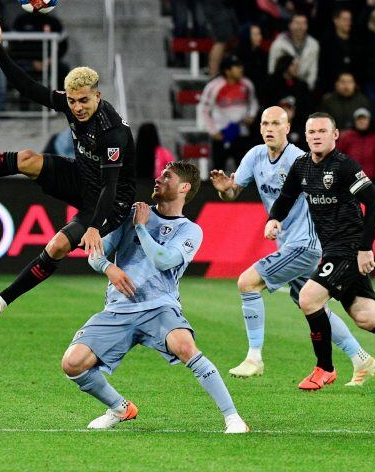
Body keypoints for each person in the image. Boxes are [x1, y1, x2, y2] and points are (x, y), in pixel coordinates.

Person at [0, 14, 136, 325]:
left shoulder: (112, 132)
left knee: (58, 245)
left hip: (110, 202)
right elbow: (28, 88)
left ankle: (1, 301)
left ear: (98, 96)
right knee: (27, 159)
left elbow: (111, 186)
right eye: (73, 101)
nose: (77, 107)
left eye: (84, 101)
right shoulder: (70, 105)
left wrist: (92, 227)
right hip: (82, 176)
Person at [265, 112, 375, 392]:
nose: (316, 136)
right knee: (367, 317)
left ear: (335, 135)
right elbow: (287, 197)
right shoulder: (302, 166)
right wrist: (274, 218)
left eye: (322, 131)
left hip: (348, 248)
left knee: (308, 298)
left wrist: (364, 248)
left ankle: (324, 368)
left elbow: (374, 205)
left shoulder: (345, 166)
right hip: (332, 250)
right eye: (311, 131)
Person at [64, 161, 249, 433]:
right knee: (72, 363)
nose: (158, 179)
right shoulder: (130, 215)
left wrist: (141, 228)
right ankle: (119, 407)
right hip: (118, 307)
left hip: (159, 307)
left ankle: (233, 418)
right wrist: (108, 267)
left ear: (184, 187)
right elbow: (96, 252)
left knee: (184, 346)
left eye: (167, 176)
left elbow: (164, 260)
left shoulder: (190, 231)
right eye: (160, 174)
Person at [209, 106, 375, 385]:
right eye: (265, 123)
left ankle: (254, 357)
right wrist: (225, 188)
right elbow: (233, 192)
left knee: (247, 282)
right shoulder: (255, 155)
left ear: (287, 128)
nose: (269, 128)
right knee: (311, 305)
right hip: (287, 246)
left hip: (307, 245)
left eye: (276, 123)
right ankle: (361, 358)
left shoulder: (300, 160)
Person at [197, 55, 258, 172]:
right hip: (221, 134)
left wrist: (251, 115)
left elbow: (253, 102)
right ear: (227, 71)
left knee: (245, 171)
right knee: (218, 171)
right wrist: (213, 131)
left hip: (241, 133)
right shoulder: (214, 86)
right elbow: (204, 109)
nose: (241, 69)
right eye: (236, 67)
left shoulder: (247, 84)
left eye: (241, 66)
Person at [267, 13, 320, 90]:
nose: (300, 27)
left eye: (303, 23)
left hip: (303, 87)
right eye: (297, 23)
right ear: (290, 25)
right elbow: (271, 69)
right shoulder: (278, 44)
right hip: (281, 87)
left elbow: (313, 71)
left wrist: (308, 90)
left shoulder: (313, 44)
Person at [336, 108, 375, 181]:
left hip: (371, 181)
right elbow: (337, 157)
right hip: (349, 181)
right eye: (359, 120)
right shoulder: (346, 138)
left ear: (369, 121)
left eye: (364, 119)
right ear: (354, 122)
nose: (362, 122)